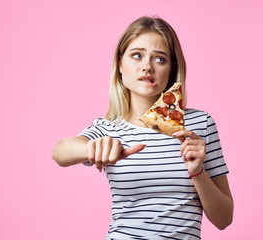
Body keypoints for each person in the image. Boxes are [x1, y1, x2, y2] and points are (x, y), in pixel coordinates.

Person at [52, 16, 233, 239]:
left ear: (171, 69)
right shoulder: (108, 128)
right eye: (137, 56)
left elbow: (224, 219)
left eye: (160, 59)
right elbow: (59, 152)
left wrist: (197, 171)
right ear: (120, 64)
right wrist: (93, 148)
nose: (147, 66)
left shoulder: (199, 125)